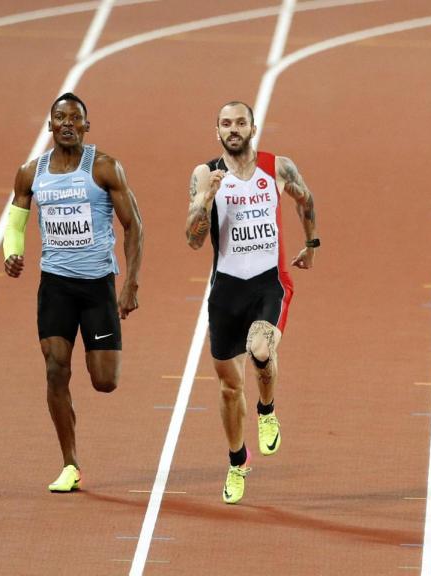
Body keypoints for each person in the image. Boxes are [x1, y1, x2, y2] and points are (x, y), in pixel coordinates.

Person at [3, 92, 144, 492]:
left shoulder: (104, 168)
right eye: (60, 118)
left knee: (105, 381)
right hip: (56, 286)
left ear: (86, 125)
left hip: (97, 286)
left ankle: (98, 356)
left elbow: (134, 225)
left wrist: (130, 283)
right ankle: (70, 463)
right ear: (50, 125)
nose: (67, 124)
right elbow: (15, 222)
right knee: (55, 369)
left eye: (74, 118)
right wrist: (12, 252)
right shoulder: (30, 173)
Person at [185, 101, 318, 504]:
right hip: (226, 290)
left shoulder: (277, 167)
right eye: (226, 124)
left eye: (240, 122)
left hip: (268, 283)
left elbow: (305, 199)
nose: (233, 129)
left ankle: (267, 410)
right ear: (217, 132)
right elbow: (193, 240)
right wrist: (203, 201)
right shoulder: (206, 174)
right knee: (229, 388)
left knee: (261, 348)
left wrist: (311, 244)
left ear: (253, 128)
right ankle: (237, 461)